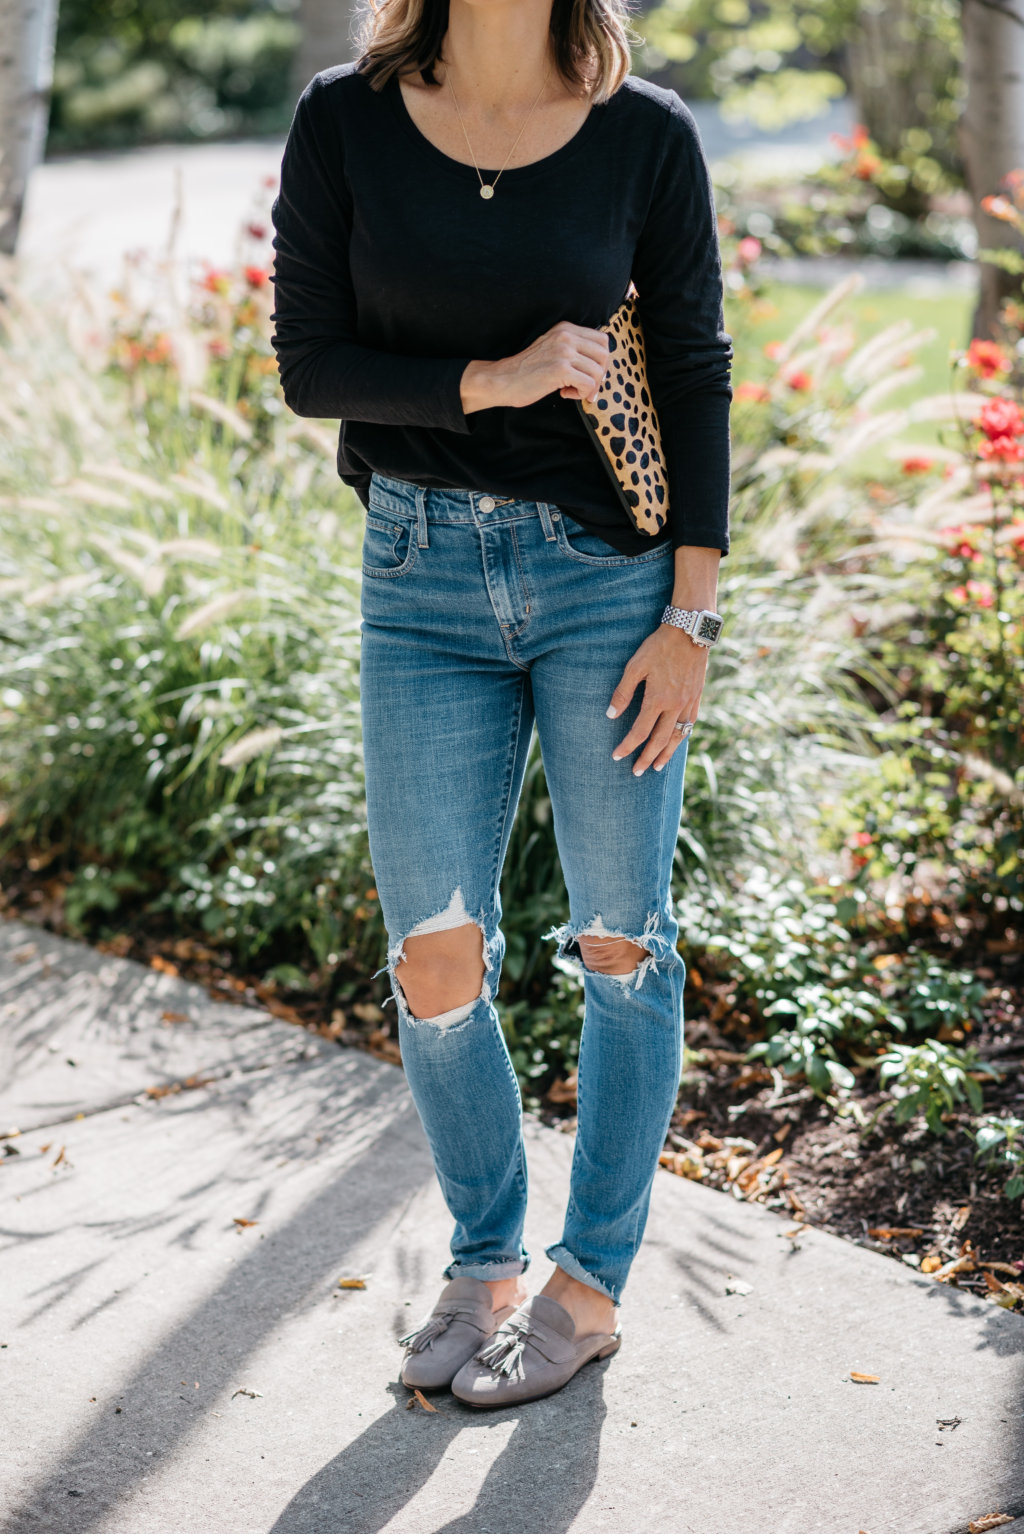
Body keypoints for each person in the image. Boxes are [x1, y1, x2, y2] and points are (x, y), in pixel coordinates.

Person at [270, 0, 733, 1410]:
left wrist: (691, 615)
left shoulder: (643, 136)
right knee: (431, 954)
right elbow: (312, 364)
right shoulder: (343, 122)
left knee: (621, 943)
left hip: (609, 585)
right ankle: (485, 1259)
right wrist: (499, 376)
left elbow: (700, 367)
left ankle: (586, 1284)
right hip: (419, 580)